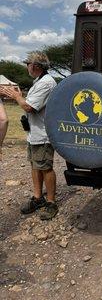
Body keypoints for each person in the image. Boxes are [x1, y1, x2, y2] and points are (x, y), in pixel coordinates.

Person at [0, 52, 57, 220]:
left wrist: (16, 96)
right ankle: (38, 198)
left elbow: (29, 107)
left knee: (46, 167)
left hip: (43, 134)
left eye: (28, 64)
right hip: (34, 133)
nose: (27, 67)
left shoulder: (46, 83)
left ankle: (51, 202)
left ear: (35, 66)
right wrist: (18, 96)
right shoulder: (38, 82)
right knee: (35, 165)